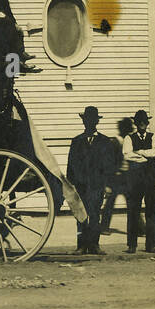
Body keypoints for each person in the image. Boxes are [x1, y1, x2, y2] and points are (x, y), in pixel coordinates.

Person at [65, 106, 118, 255]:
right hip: (81, 185)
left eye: (92, 120)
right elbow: (71, 165)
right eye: (87, 120)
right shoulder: (76, 141)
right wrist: (71, 186)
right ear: (83, 122)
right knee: (81, 215)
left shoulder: (105, 141)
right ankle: (81, 246)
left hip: (97, 185)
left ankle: (94, 245)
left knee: (95, 214)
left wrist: (108, 185)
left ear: (96, 122)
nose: (89, 123)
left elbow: (109, 166)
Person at [123, 109, 155, 253]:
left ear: (147, 122)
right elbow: (127, 155)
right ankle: (132, 245)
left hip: (151, 176)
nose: (142, 124)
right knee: (133, 209)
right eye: (139, 121)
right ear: (135, 123)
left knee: (151, 209)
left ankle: (151, 244)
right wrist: (146, 156)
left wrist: (140, 153)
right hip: (135, 177)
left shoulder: (154, 137)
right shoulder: (129, 138)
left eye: (144, 121)